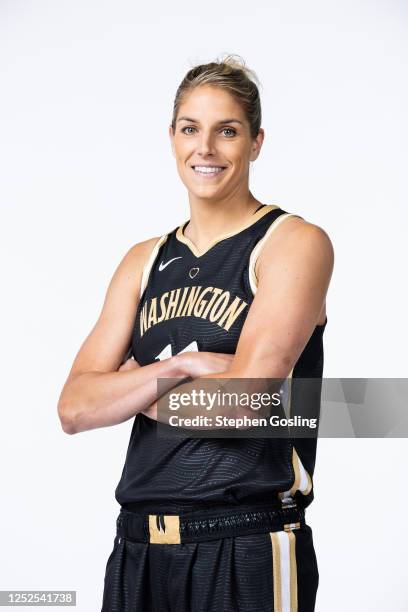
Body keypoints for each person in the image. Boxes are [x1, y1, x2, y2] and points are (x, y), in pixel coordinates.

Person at [58, 54, 334, 612]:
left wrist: (132, 390)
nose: (205, 148)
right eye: (191, 129)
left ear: (256, 142)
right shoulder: (142, 260)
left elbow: (248, 403)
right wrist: (179, 368)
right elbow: (75, 408)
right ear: (172, 137)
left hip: (247, 539)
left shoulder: (291, 243)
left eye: (226, 131)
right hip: (138, 543)